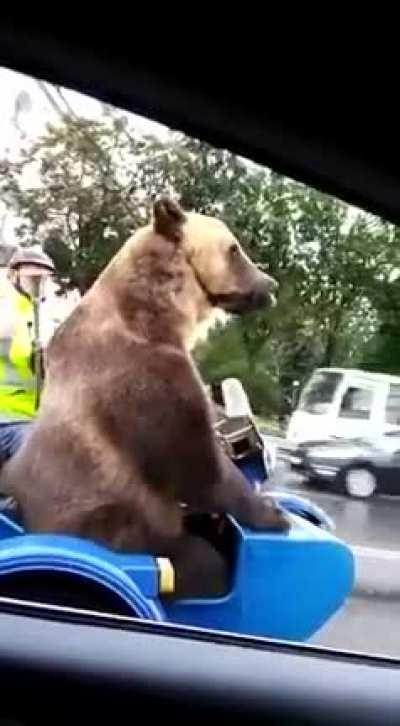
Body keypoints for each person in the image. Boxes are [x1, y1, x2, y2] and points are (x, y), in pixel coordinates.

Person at [0, 246, 58, 464]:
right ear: (14, 276)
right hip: (10, 419)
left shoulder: (45, 316)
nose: (38, 283)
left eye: (43, 277)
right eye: (32, 276)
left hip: (30, 419)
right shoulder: (7, 308)